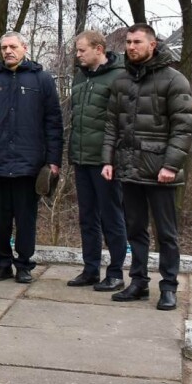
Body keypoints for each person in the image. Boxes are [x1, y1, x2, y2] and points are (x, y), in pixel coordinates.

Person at [103, 24, 192, 310]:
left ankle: (169, 287)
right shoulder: (121, 81)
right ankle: (138, 282)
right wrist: (108, 160)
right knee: (135, 230)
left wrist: (171, 165)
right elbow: (111, 124)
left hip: (160, 172)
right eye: (128, 42)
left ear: (152, 45)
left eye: (137, 42)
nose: (131, 47)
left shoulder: (174, 80)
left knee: (166, 233)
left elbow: (183, 127)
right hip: (128, 168)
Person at [0, 32, 62, 284]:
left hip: (29, 164)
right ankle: (2, 264)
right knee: (0, 219)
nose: (8, 51)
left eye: (13, 46)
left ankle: (24, 265)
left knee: (25, 219)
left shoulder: (42, 80)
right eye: (4, 47)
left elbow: (53, 122)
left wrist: (53, 160)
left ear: (24, 47)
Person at [67, 30, 127, 292]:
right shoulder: (80, 76)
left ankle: (115, 273)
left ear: (99, 49)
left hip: (106, 162)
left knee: (111, 218)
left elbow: (122, 122)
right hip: (81, 158)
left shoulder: (119, 76)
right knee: (87, 218)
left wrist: (111, 158)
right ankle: (90, 270)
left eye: (82, 50)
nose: (78, 55)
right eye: (77, 50)